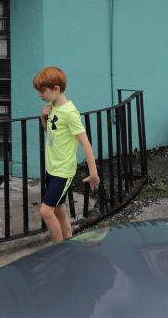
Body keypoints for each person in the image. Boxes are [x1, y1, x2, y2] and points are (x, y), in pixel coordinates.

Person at [34, 66, 100, 243]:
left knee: (45, 211)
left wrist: (93, 172)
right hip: (52, 168)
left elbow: (85, 143)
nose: (40, 95)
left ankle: (58, 251)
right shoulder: (52, 107)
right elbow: (51, 134)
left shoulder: (70, 113)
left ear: (56, 89)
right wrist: (43, 118)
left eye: (43, 91)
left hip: (62, 172)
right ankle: (69, 244)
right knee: (59, 210)